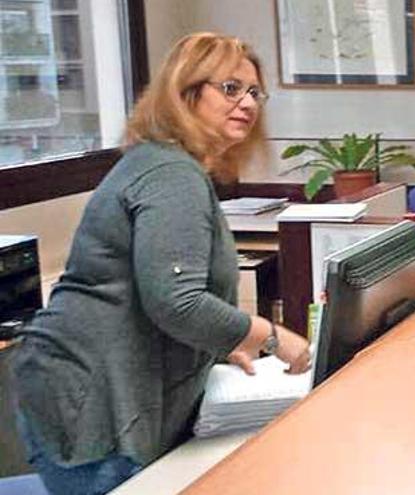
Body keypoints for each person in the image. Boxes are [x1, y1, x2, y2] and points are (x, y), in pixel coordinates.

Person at [12, 32, 311, 495]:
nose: (248, 103)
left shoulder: (170, 166)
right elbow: (177, 301)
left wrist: (218, 342)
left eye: (254, 92)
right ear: (184, 93)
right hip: (93, 400)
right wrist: (270, 337)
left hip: (105, 387)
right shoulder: (171, 173)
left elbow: (167, 294)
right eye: (230, 89)